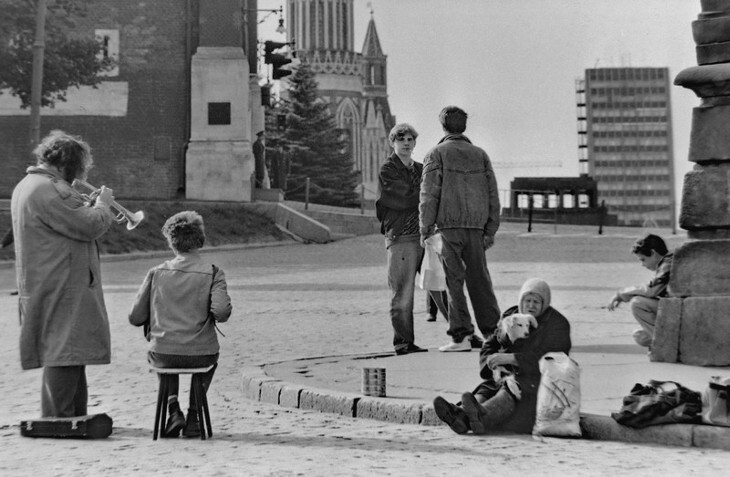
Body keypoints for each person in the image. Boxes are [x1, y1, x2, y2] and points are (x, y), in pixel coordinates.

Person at [11, 130, 116, 418]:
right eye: (79, 168)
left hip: (48, 278)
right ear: (69, 163)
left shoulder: (29, 185)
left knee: (70, 349)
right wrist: (103, 204)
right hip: (63, 282)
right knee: (65, 349)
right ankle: (59, 418)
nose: (79, 175)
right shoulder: (49, 189)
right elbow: (89, 225)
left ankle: (73, 415)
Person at [129, 211, 232, 438]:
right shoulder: (213, 272)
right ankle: (194, 416)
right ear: (200, 239)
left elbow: (135, 317)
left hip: (163, 351)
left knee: (165, 351)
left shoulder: (156, 273)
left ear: (171, 241)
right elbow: (222, 312)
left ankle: (173, 409)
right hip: (201, 352)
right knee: (206, 361)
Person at [432, 278, 571, 435]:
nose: (531, 305)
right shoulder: (510, 315)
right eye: (528, 300)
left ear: (544, 304)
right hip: (501, 376)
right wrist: (492, 362)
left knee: (511, 388)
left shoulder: (557, 323)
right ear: (521, 301)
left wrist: (513, 359)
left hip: (534, 384)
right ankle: (464, 414)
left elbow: (551, 358)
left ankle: (472, 417)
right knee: (486, 388)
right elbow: (489, 345)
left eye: (536, 302)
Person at [419, 106, 501, 352]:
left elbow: (428, 194)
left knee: (454, 281)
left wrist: (425, 228)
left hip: (448, 227)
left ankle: (461, 335)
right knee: (481, 281)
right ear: (464, 126)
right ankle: (493, 334)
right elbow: (493, 195)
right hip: (476, 228)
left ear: (443, 126)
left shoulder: (436, 154)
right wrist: (490, 229)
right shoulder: (480, 155)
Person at [376, 123, 431, 356]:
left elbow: (430, 196)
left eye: (410, 139)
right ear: (393, 142)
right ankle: (403, 343)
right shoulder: (388, 169)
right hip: (401, 238)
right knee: (403, 292)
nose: (406, 143)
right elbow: (402, 198)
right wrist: (425, 194)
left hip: (426, 236)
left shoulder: (421, 169)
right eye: (401, 139)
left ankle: (461, 335)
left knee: (439, 286)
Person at [607, 233, 672, 348]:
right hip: (675, 308)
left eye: (643, 259)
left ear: (653, 253)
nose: (642, 264)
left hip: (678, 310)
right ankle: (662, 338)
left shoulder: (667, 264)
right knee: (640, 336)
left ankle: (665, 344)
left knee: (638, 303)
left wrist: (621, 294)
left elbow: (651, 290)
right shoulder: (667, 262)